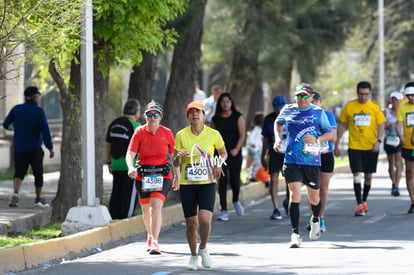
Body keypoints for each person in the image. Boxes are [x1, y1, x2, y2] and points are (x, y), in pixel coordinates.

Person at [274, 84, 333, 248]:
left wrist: (317, 140)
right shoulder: (288, 109)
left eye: (304, 96)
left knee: (314, 197)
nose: (301, 100)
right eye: (298, 96)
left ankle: (315, 219)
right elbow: (277, 123)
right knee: (295, 194)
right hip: (292, 159)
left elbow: (330, 133)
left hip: (311, 161)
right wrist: (277, 138)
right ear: (295, 97)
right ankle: (295, 234)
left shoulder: (318, 112)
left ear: (310, 97)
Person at [174, 101, 227, 270]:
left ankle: (203, 247)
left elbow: (223, 152)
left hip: (207, 183)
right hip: (187, 184)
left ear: (204, 115)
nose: (195, 114)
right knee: (191, 224)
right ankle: (193, 256)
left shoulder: (214, 134)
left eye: (198, 112)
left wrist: (219, 163)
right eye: (191, 112)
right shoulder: (181, 135)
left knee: (205, 220)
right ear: (188, 116)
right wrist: (178, 157)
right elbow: (174, 161)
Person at [126, 100, 180, 255]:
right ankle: (150, 235)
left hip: (162, 174)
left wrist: (177, 176)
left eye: (155, 114)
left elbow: (174, 156)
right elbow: (130, 153)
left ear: (160, 117)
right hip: (143, 175)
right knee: (146, 210)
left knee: (155, 206)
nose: (152, 117)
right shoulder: (139, 132)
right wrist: (130, 166)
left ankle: (155, 241)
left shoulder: (167, 133)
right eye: (149, 114)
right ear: (145, 116)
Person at [334, 81, 386, 216]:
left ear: (370, 94)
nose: (363, 97)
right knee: (357, 176)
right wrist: (337, 143)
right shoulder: (350, 107)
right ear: (357, 93)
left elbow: (381, 125)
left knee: (368, 176)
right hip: (355, 147)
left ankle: (364, 200)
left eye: (366, 94)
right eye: (361, 94)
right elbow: (341, 125)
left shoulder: (374, 107)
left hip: (370, 146)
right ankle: (358, 204)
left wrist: (378, 141)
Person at [2, 86, 54, 208]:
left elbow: (5, 124)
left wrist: (15, 128)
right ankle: (38, 199)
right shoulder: (39, 112)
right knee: (38, 173)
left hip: (19, 148)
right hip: (35, 148)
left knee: (19, 172)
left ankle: (15, 193)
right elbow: (45, 131)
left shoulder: (16, 109)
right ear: (35, 97)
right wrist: (50, 147)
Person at [211, 92, 246, 221]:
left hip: (234, 152)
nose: (225, 104)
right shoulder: (216, 119)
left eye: (228, 101)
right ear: (220, 104)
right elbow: (212, 137)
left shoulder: (238, 117)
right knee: (222, 181)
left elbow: (242, 134)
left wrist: (237, 148)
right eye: (223, 102)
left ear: (231, 103)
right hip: (220, 154)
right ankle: (224, 209)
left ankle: (236, 200)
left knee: (235, 180)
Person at [105, 99, 141, 219]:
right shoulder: (137, 127)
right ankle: (126, 218)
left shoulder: (114, 124)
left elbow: (108, 145)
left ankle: (113, 217)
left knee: (116, 193)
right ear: (137, 112)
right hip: (131, 167)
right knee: (129, 195)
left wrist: (109, 162)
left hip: (115, 164)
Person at [310, 91, 337, 233]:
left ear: (320, 103)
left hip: (325, 154)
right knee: (312, 188)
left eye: (316, 101)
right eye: (311, 101)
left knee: (323, 188)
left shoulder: (328, 116)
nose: (313, 104)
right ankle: (313, 218)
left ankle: (321, 217)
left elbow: (333, 137)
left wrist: (317, 138)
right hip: (310, 155)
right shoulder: (305, 117)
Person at [261, 95, 289, 220]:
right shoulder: (269, 119)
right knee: (274, 178)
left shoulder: (290, 117)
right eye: (276, 108)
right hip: (274, 152)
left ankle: (288, 201)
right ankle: (276, 208)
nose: (278, 111)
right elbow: (265, 139)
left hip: (288, 153)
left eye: (280, 108)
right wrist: (263, 155)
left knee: (290, 180)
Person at [396, 82, 414, 214]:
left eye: (413, 95)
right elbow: (399, 124)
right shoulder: (402, 107)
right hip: (408, 145)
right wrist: (400, 135)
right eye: (409, 96)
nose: (411, 98)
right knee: (409, 172)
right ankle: (413, 200)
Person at [383, 91, 403, 196]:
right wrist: (387, 127)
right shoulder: (385, 112)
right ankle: (393, 182)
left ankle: (397, 186)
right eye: (393, 100)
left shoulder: (403, 111)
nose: (394, 102)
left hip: (400, 140)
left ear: (400, 101)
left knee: (398, 163)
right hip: (389, 140)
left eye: (396, 100)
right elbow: (380, 126)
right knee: (391, 164)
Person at [246, 112, 264, 183]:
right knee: (257, 162)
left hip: (258, 148)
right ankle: (251, 176)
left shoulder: (258, 128)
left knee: (256, 162)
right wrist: (253, 144)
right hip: (254, 148)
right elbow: (251, 137)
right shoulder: (256, 128)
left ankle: (250, 175)